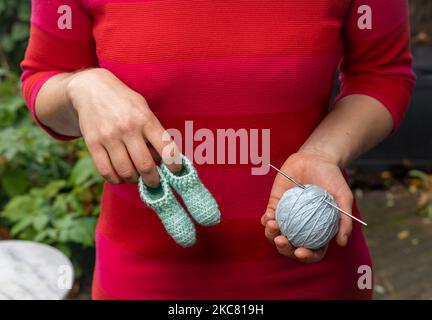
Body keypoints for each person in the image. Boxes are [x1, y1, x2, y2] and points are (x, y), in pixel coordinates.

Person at [21, 0, 415, 299]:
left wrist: (324, 152)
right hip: (142, 280)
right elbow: (42, 78)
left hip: (311, 276)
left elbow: (382, 73)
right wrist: (82, 88)